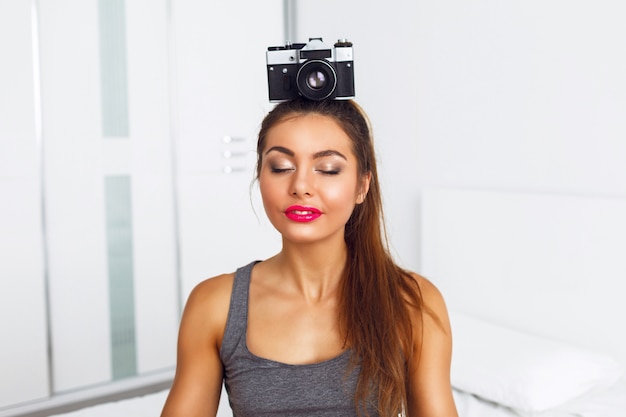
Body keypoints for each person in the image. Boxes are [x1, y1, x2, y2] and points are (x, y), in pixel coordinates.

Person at [160, 98, 458, 417]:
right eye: (281, 167)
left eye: (328, 169)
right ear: (260, 176)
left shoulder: (412, 303)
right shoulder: (214, 304)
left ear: (362, 186)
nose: (301, 186)